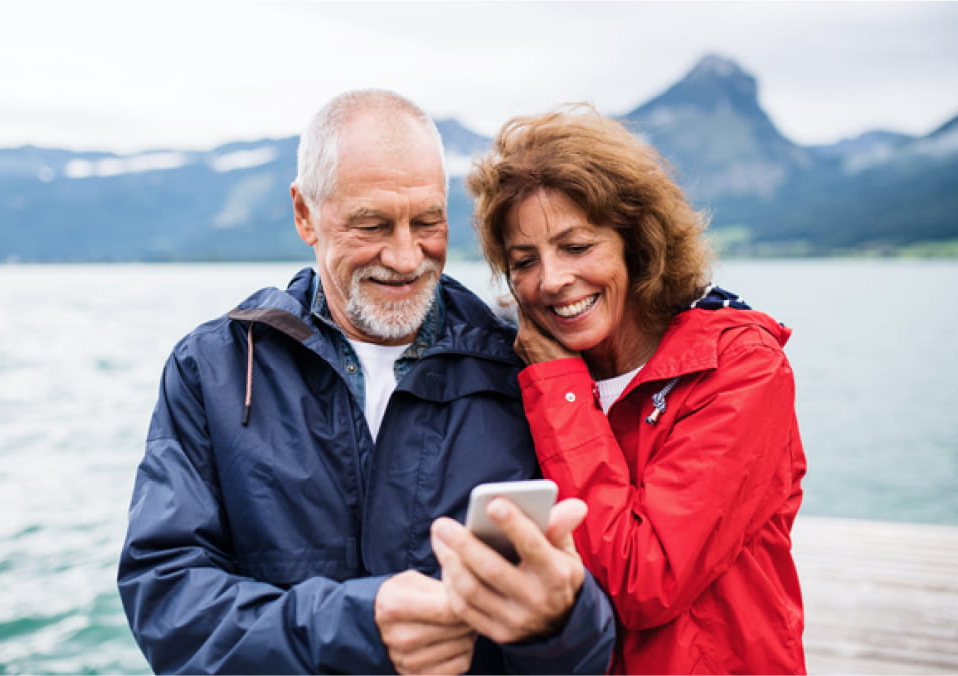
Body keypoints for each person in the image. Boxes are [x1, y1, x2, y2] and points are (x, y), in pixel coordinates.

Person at [117, 90, 616, 675]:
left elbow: (597, 635)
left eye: (428, 222)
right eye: (372, 224)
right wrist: (353, 628)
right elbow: (166, 601)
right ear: (305, 214)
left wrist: (560, 620)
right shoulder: (213, 368)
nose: (406, 258)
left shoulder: (525, 367)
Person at [438, 104, 807, 674]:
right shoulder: (525, 373)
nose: (552, 280)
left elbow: (645, 579)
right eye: (524, 260)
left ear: (636, 242)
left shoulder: (739, 368)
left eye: (577, 247)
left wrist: (559, 389)